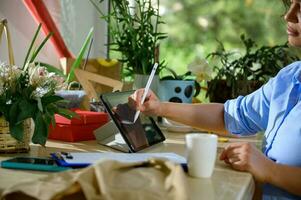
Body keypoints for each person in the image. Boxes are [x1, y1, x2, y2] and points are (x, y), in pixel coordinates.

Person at [128, 0, 301, 199]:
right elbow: (230, 116)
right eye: (290, 3)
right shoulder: (289, 78)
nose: (288, 15)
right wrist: (160, 108)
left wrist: (270, 171)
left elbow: (268, 169)